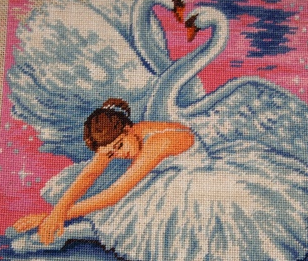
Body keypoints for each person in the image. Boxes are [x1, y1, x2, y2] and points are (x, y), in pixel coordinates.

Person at [13, 98, 194, 245]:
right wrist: (57, 211)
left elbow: (114, 194)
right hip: (166, 177)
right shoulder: (124, 136)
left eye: (119, 146)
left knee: (126, 205)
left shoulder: (157, 142)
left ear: (127, 129)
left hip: (192, 184)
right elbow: (88, 175)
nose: (120, 154)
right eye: (111, 153)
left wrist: (50, 217)